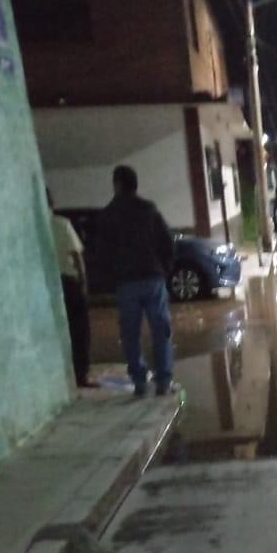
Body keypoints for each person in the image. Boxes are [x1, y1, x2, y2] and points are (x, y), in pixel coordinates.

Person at [96, 165, 175, 396]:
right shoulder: (149, 210)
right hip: (152, 278)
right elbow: (167, 242)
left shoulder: (108, 215)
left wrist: (110, 280)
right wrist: (164, 270)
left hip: (126, 282)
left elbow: (102, 252)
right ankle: (163, 380)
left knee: (130, 334)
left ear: (117, 184)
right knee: (160, 330)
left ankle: (139, 381)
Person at [48, 189, 96, 388]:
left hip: (47, 285)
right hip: (68, 283)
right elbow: (76, 256)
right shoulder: (61, 224)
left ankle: (61, 376)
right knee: (79, 330)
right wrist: (83, 282)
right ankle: (81, 375)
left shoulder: (36, 227)